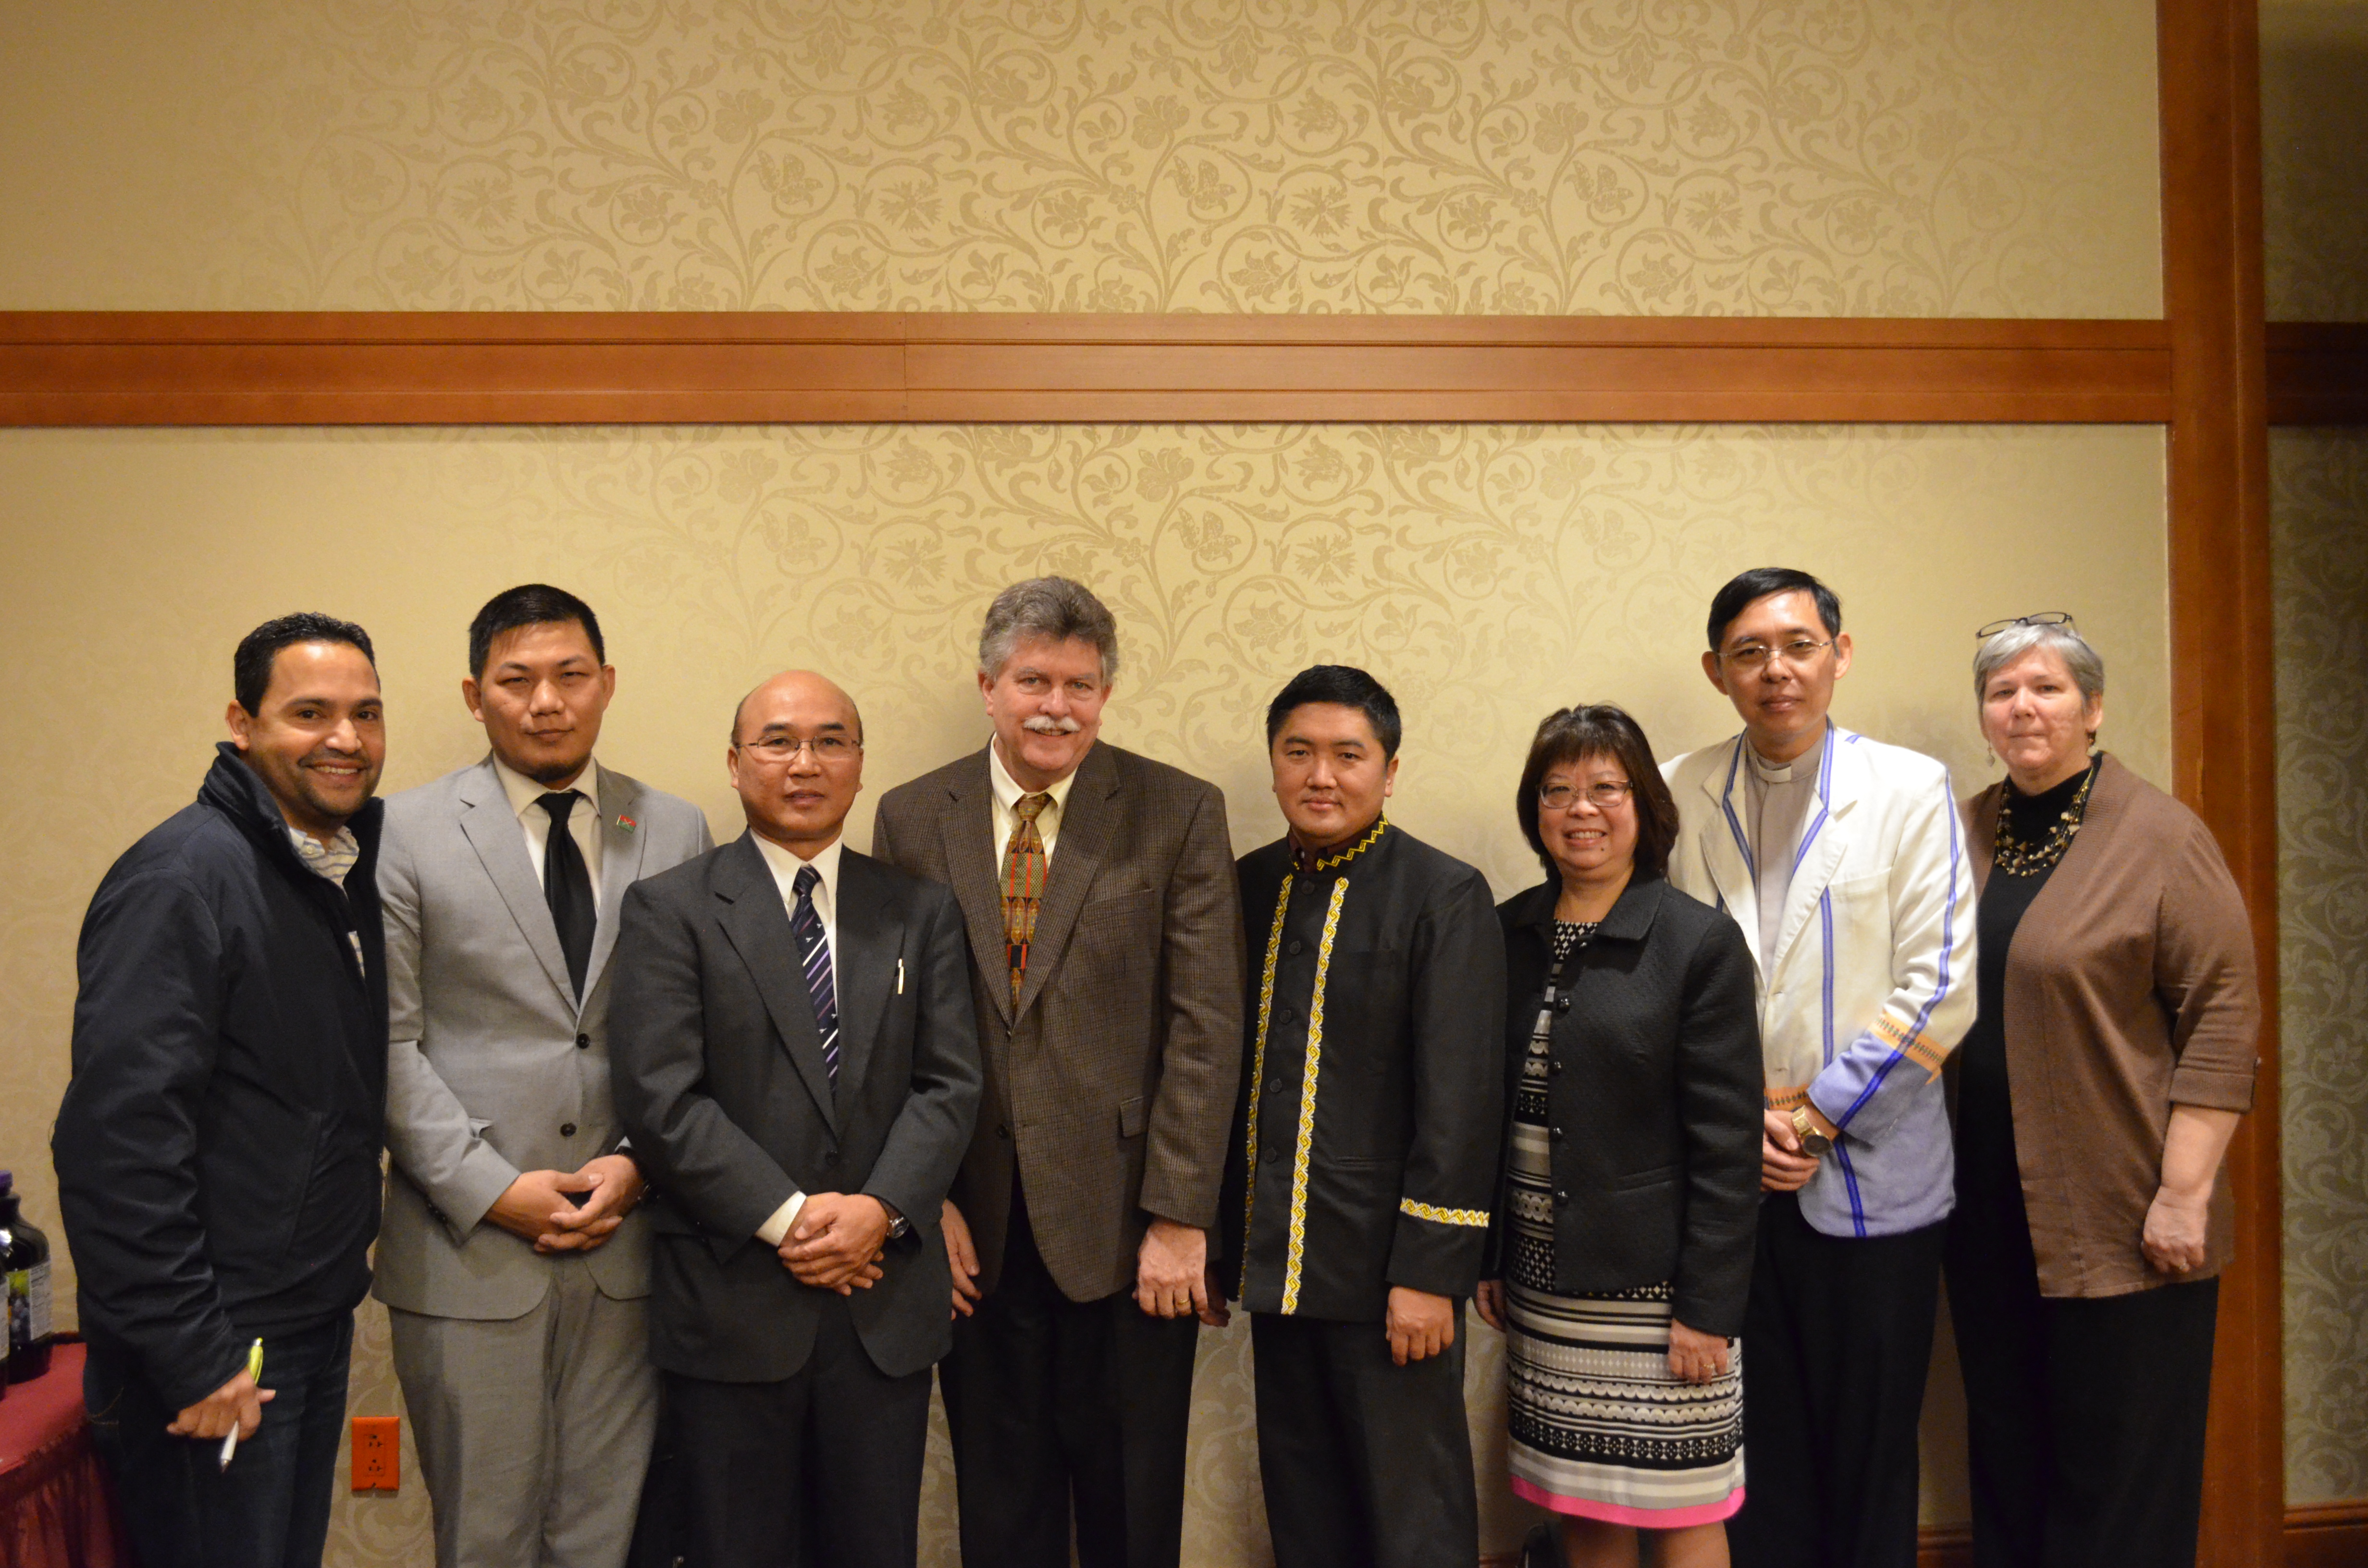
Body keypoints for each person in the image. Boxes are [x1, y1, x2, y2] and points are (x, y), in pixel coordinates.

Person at [870, 577, 1245, 1568]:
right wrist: (926, 1200)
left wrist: (1179, 1215)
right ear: (988, 684)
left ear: (1106, 695)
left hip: (1130, 1232)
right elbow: (895, 1032)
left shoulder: (1176, 811)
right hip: (975, 1231)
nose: (1055, 705)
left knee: (1131, 1511)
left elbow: (1205, 1027)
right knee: (1003, 1512)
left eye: (1080, 684)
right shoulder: (913, 817)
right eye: (1033, 679)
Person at [372, 585, 714, 1568]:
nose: (547, 702)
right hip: (467, 1249)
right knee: (485, 1537)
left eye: (570, 676)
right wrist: (493, 1190)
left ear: (606, 685)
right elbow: (388, 1044)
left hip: (630, 1243)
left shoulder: (673, 826)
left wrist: (640, 1164)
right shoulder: (402, 832)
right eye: (517, 681)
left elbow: (697, 1036)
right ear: (475, 696)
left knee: (603, 1535)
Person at [608, 671, 981, 1567]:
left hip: (881, 1303)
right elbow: (664, 1101)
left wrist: (879, 1210)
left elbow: (950, 1085)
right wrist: (795, 1221)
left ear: (859, 766)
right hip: (734, 1300)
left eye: (830, 741)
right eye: (778, 741)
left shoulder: (919, 910)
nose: (804, 763)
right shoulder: (672, 908)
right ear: (736, 766)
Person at [54, 613, 390, 1568]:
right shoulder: (183, 878)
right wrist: (194, 1354)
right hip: (214, 1348)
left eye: (366, 714)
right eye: (310, 713)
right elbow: (116, 1145)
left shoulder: (327, 866)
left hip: (303, 1326)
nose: (345, 739)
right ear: (241, 724)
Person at [1662, 568, 1976, 1568]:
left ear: (1840, 655)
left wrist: (1806, 1122)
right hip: (1724, 1187)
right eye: (1749, 652)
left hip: (1872, 1187)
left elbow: (1940, 987)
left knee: (1869, 1459)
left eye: (1799, 645)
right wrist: (1730, 1126)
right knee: (1751, 1461)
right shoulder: (1676, 785)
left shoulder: (1909, 787)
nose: (1777, 671)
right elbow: (1658, 976)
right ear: (1716, 671)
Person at [1948, 615, 2257, 1568]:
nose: (2022, 707)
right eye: (2002, 692)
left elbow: (2225, 1012)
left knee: (2115, 1478)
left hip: (2128, 1211)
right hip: (1988, 1206)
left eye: (2044, 688)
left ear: (2093, 707)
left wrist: (2184, 1192)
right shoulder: (1968, 826)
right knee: (2006, 1456)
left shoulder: (2161, 835)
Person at [1212, 665, 1505, 1568]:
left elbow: (1462, 1101)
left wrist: (1428, 1274)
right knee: (1306, 1509)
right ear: (1272, 767)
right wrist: (1219, 1245)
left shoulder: (1442, 892)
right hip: (1281, 1268)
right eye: (1298, 753)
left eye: (1348, 755)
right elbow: (1217, 1078)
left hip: (1391, 1279)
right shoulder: (1245, 886)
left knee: (1411, 1516)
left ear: (1390, 769)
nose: (1321, 776)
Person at [1476, 703, 1762, 1568]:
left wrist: (1707, 1310)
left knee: (1680, 1507)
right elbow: (1483, 1107)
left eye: (1606, 788)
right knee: (1585, 1502)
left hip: (1658, 1292)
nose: (1581, 810)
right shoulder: (1510, 929)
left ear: (1645, 806)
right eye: (1558, 791)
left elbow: (1727, 1144)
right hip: (1544, 1278)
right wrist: (1491, 1250)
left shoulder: (1697, 941)